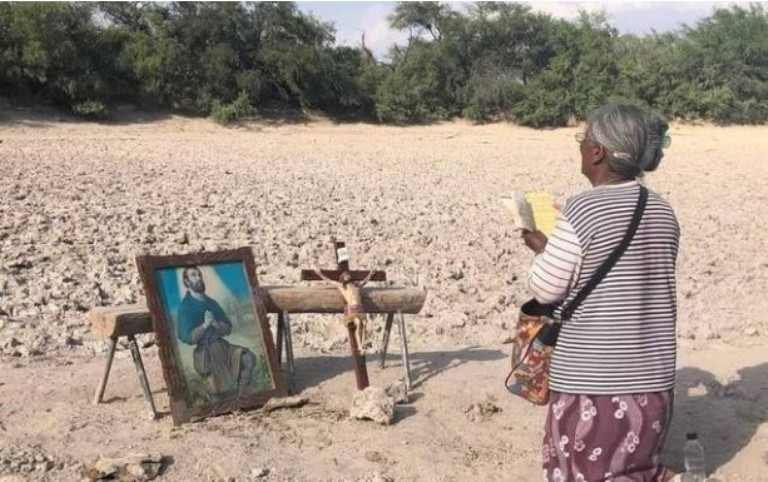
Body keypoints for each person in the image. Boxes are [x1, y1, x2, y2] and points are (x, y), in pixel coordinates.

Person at [521, 103, 679, 481]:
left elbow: (545, 287)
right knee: (635, 470)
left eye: (583, 138)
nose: (580, 146)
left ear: (597, 152)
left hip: (592, 380)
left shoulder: (582, 208)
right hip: (654, 380)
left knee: (583, 471)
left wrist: (544, 251)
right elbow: (625, 279)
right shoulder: (663, 210)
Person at [177, 266, 256, 399]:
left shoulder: (211, 303)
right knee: (217, 391)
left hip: (223, 347)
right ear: (186, 282)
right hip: (205, 353)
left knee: (248, 358)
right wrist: (204, 325)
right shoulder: (185, 307)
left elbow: (228, 327)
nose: (199, 278)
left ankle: (242, 397)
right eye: (194, 275)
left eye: (199, 275)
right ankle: (209, 394)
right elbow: (187, 337)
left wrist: (215, 324)